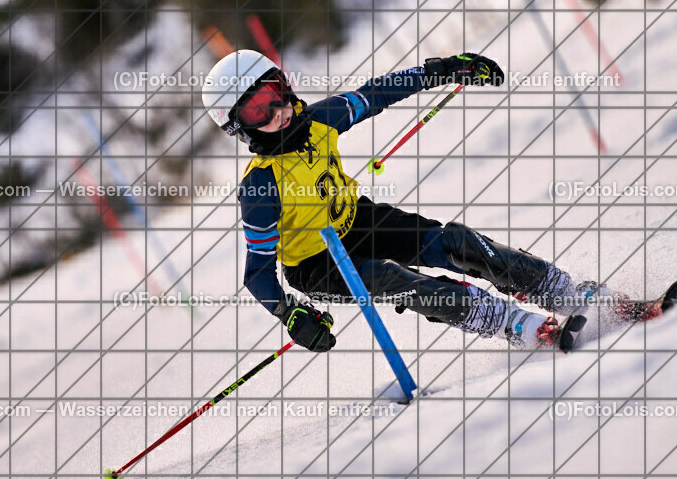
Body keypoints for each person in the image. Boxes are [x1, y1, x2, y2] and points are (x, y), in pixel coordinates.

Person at [201, 49, 597, 354]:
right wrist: (290, 314)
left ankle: (571, 293)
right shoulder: (260, 187)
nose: (276, 112)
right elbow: (257, 273)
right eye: (257, 110)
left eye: (274, 94)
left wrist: (442, 69)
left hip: (358, 221)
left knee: (457, 243)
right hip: (315, 265)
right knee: (398, 280)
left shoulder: (321, 119)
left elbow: (377, 92)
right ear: (240, 126)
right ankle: (517, 326)